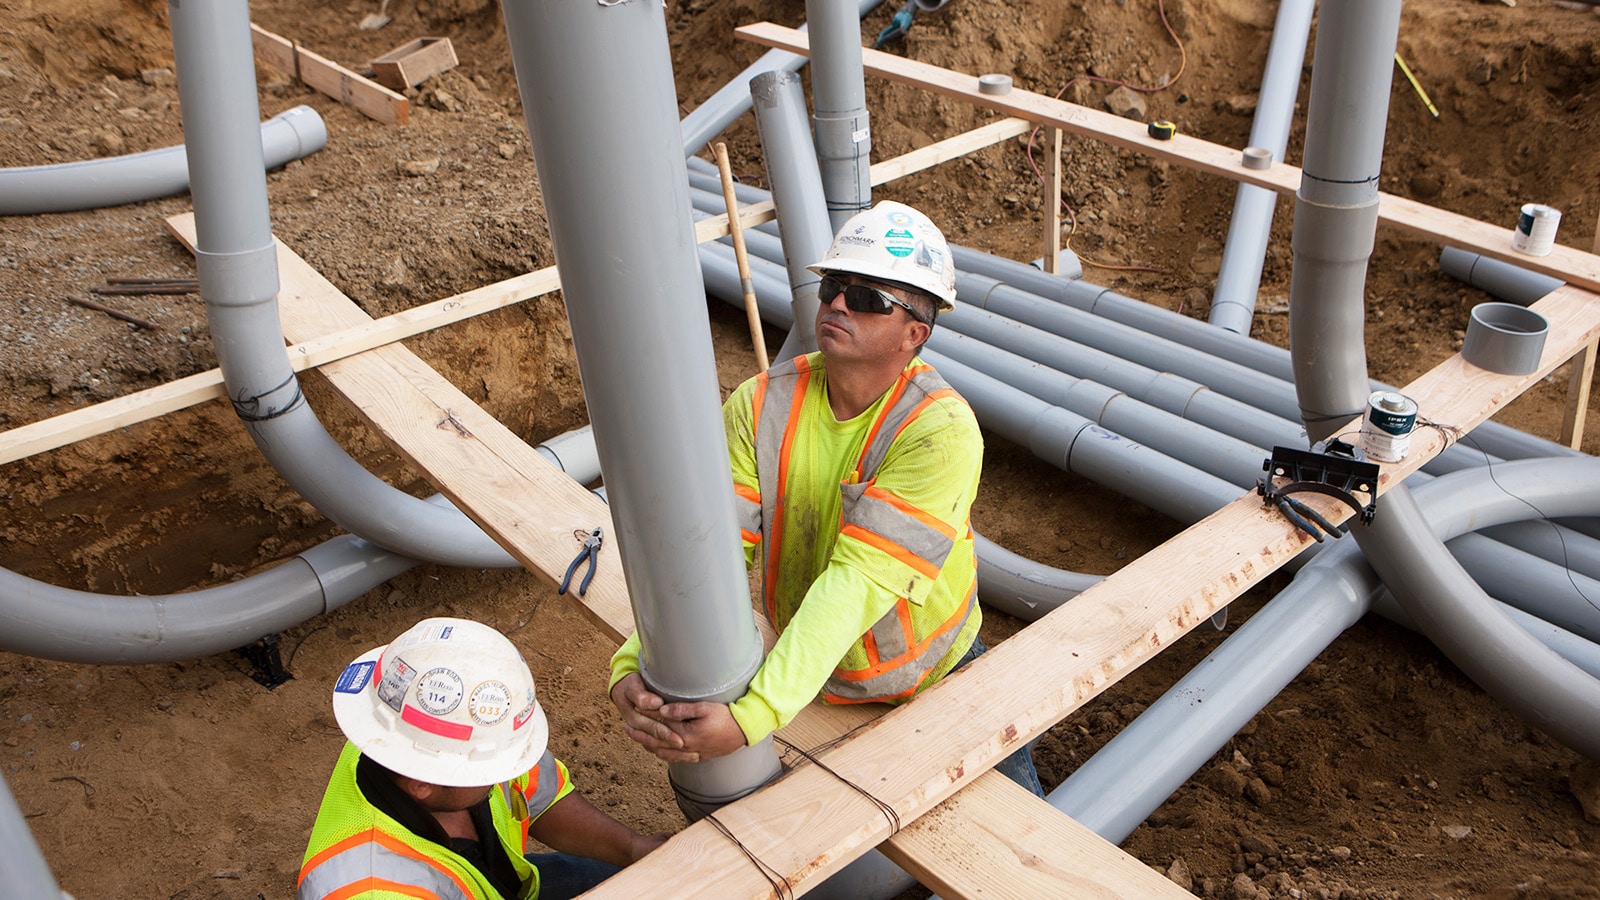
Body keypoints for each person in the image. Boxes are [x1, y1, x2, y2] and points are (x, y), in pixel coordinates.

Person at [609, 201, 1041, 796]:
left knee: (1012, 836)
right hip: (809, 669)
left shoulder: (939, 432)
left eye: (867, 299)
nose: (838, 303)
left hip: (934, 675)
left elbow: (857, 582)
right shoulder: (760, 404)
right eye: (834, 286)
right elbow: (709, 556)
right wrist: (634, 662)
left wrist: (751, 718)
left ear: (915, 333)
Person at [298, 617, 667, 900]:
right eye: (489, 770)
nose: (503, 775)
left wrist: (632, 848)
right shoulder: (371, 887)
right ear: (422, 782)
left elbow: (540, 799)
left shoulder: (429, 733)